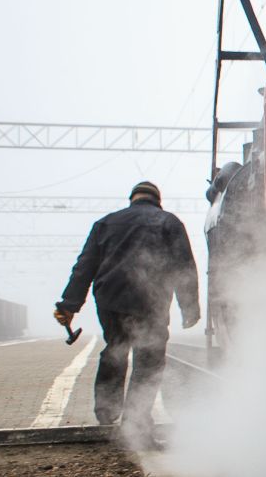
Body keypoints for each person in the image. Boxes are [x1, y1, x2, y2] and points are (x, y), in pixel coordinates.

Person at [54, 182, 201, 438]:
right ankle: (136, 422)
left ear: (133, 198)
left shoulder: (106, 223)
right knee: (149, 359)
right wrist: (189, 308)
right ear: (157, 200)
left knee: (115, 350)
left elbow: (84, 266)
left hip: (110, 301)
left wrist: (69, 305)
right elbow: (184, 265)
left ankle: (106, 415)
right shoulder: (168, 222)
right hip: (151, 300)